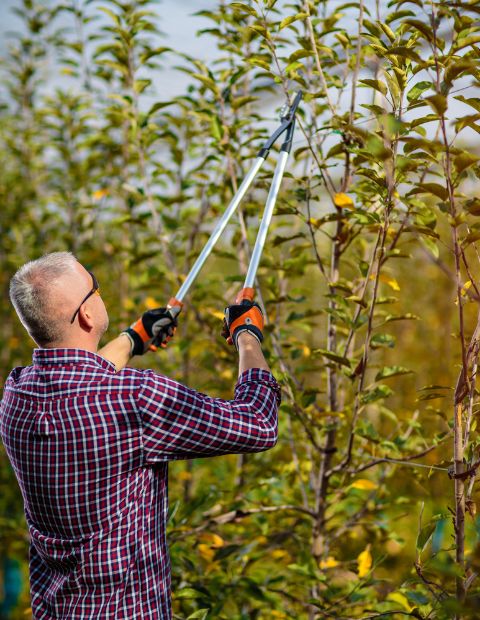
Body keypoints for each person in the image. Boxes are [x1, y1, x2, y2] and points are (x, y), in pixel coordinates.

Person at [0, 252, 280, 619]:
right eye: (95, 286)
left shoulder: (17, 395)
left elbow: (81, 381)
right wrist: (247, 336)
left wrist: (133, 338)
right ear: (86, 314)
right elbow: (258, 424)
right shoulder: (136, 399)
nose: (100, 292)